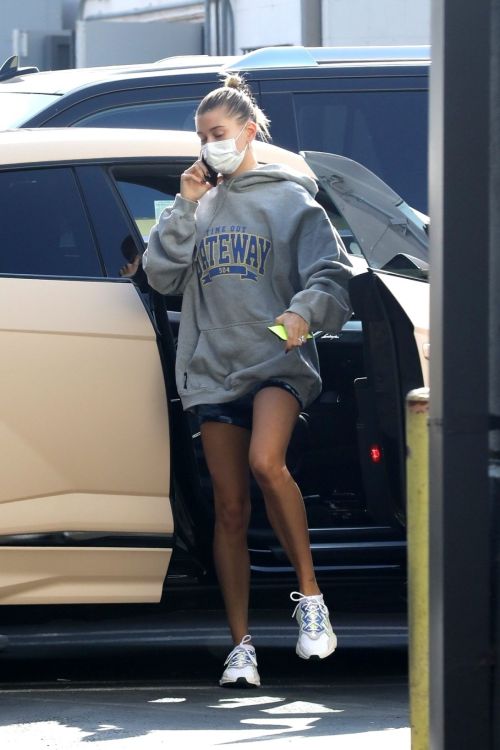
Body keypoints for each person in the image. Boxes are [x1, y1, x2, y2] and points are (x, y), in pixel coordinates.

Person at [142, 74, 353, 688]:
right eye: (202, 136)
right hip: (213, 370)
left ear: (249, 131)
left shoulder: (292, 201)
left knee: (267, 464)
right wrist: (184, 205)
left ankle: (310, 599)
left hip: (276, 364)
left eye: (219, 133)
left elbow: (332, 275)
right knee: (229, 510)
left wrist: (301, 313)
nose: (210, 145)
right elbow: (160, 276)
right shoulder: (196, 205)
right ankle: (242, 648)